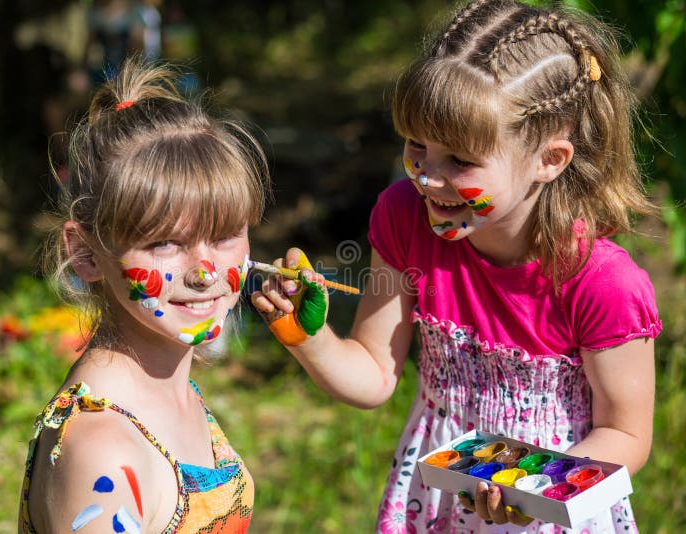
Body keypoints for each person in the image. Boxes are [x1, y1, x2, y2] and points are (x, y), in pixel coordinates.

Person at [252, 0, 659, 532]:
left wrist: (530, 489)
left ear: (549, 160)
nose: (427, 176)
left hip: (551, 509)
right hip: (439, 501)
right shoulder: (404, 218)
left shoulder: (602, 283)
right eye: (416, 145)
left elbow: (627, 437)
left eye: (460, 161)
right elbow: (374, 375)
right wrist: (307, 337)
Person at [19, 58, 270, 533]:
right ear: (87, 254)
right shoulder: (104, 455)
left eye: (224, 236)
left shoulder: (170, 387)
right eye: (165, 243)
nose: (205, 271)